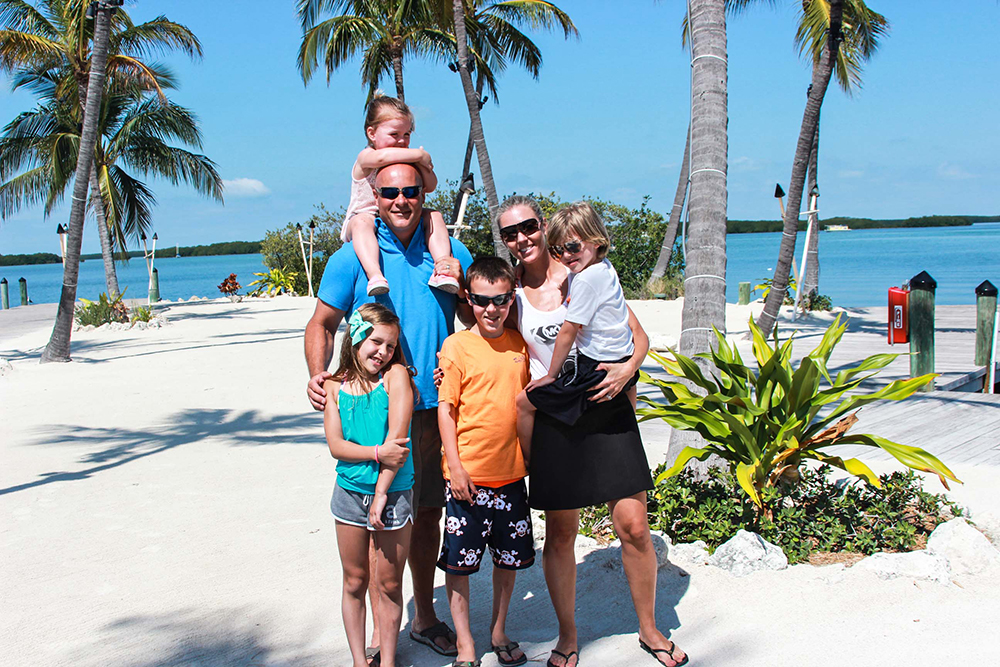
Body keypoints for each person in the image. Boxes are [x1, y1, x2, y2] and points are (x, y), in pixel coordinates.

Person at [497, 196, 688, 667]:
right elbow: (478, 334)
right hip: (556, 419)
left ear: (542, 227)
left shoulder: (585, 272)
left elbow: (636, 335)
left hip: (607, 405)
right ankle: (567, 635)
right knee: (561, 533)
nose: (521, 238)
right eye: (509, 233)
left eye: (527, 227)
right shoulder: (511, 293)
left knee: (635, 526)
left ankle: (649, 628)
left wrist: (629, 370)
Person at [306, 162, 474, 660]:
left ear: (423, 192)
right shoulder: (352, 255)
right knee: (376, 524)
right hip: (373, 415)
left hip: (434, 410)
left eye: (410, 191)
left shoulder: (449, 250)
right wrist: (318, 376)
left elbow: (477, 311)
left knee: (425, 517)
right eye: (390, 192)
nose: (401, 201)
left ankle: (424, 616)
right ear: (373, 195)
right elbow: (322, 323)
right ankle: (383, 634)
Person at [437, 257, 533, 667]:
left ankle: (498, 630)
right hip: (467, 480)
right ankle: (464, 643)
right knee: (460, 566)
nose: (491, 309)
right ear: (468, 298)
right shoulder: (457, 346)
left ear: (512, 298)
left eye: (501, 300)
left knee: (507, 561)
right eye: (481, 300)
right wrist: (455, 467)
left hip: (512, 478)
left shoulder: (520, 346)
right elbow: (447, 410)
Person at [325, 303, 415, 667]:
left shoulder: (395, 378)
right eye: (377, 342)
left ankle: (389, 661)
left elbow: (400, 444)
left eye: (391, 346)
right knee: (354, 580)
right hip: (348, 493)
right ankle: (360, 661)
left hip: (392, 494)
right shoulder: (334, 385)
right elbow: (337, 446)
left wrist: (380, 494)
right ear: (357, 337)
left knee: (390, 584)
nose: (383, 352)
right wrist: (377, 452)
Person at [515, 201, 639, 461]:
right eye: (559, 250)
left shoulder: (585, 279)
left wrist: (551, 375)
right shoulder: (603, 269)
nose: (567, 256)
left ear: (595, 240)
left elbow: (569, 332)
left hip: (595, 368)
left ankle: (528, 461)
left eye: (572, 246)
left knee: (526, 402)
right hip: (619, 360)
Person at [342, 95, 458, 296]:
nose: (402, 141)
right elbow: (382, 157)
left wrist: (423, 167)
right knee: (362, 222)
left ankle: (442, 267)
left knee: (434, 216)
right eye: (394, 134)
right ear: (371, 133)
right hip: (362, 217)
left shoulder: (407, 161)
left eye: (407, 134)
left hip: (399, 218)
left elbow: (430, 186)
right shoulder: (366, 157)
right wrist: (420, 155)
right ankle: (375, 274)